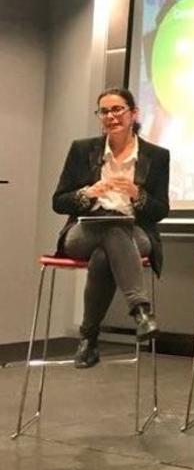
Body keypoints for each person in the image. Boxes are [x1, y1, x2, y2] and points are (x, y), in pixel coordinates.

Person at [52, 88, 170, 368]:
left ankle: (88, 339)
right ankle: (141, 310)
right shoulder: (83, 149)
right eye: (104, 111)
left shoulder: (157, 156)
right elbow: (58, 201)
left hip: (134, 232)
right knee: (108, 227)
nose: (111, 116)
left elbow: (160, 211)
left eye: (117, 109)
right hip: (84, 233)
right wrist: (88, 193)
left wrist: (136, 194)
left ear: (133, 114)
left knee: (110, 244)